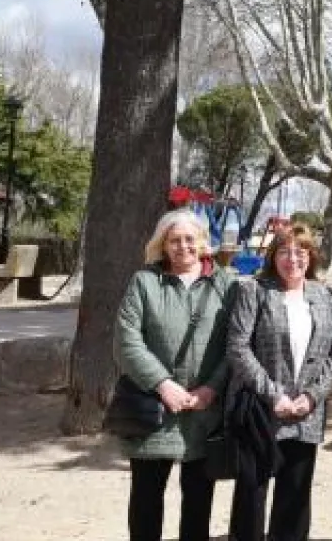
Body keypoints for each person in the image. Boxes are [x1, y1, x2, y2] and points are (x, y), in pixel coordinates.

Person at [115, 208, 235, 541]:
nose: (183, 246)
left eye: (189, 238)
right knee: (145, 502)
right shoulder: (145, 282)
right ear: (163, 245)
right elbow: (127, 339)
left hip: (204, 411)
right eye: (174, 240)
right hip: (154, 410)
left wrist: (212, 387)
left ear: (202, 241)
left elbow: (236, 344)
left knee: (198, 504)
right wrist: (162, 384)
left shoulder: (227, 283)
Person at [226, 223, 332, 541]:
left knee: (295, 500)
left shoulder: (325, 296)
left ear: (311, 257)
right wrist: (273, 395)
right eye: (285, 251)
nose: (293, 259)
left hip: (305, 413)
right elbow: (237, 347)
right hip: (261, 410)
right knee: (252, 495)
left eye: (301, 251)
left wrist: (313, 396)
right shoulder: (254, 291)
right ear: (273, 256)